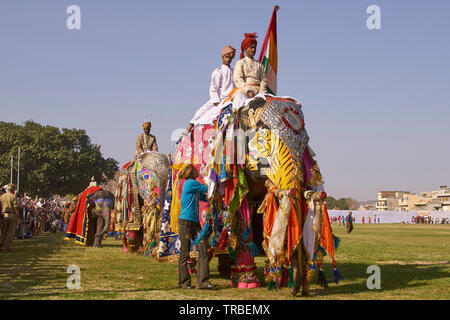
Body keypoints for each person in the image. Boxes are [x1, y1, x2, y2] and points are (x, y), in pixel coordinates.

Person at [177, 164, 214, 290]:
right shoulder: (190, 183)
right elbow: (207, 189)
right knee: (185, 253)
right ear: (191, 173)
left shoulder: (193, 186)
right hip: (186, 223)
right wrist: (213, 180)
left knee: (203, 249)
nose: (198, 171)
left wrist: (213, 198)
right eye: (195, 170)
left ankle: (203, 282)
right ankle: (184, 282)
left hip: (195, 223)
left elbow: (206, 197)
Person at [185, 46, 237, 134]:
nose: (228, 59)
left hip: (231, 99)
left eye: (230, 58)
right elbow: (213, 88)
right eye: (226, 57)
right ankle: (189, 127)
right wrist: (216, 100)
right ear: (222, 57)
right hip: (219, 99)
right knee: (202, 111)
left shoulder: (234, 71)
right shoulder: (218, 72)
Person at [233, 33, 268, 110]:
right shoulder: (240, 63)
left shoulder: (259, 64)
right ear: (245, 49)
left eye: (255, 48)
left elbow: (263, 80)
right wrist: (248, 90)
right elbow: (238, 79)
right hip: (244, 91)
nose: (254, 50)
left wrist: (262, 92)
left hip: (259, 92)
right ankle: (236, 121)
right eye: (251, 47)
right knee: (239, 99)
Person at [0, 183, 21, 252]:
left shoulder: (2, 196)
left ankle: (1, 246)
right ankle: (6, 247)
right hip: (12, 215)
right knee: (10, 232)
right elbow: (15, 208)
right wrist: (18, 217)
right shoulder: (13, 196)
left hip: (4, 215)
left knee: (3, 232)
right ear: (12, 189)